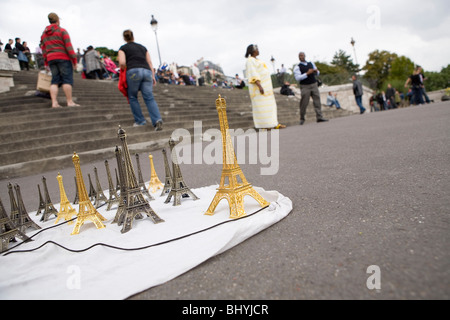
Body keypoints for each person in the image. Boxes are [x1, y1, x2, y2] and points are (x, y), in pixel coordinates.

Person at [118, 29, 163, 130]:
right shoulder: (143, 48)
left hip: (133, 71)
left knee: (133, 97)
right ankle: (157, 119)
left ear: (124, 38)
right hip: (147, 71)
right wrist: (153, 76)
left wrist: (125, 69)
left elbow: (122, 63)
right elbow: (150, 62)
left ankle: (140, 121)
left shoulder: (123, 48)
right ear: (133, 37)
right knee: (149, 97)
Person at [40, 12, 79, 108]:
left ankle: (54, 103)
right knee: (67, 80)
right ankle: (69, 102)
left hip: (51, 59)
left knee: (54, 81)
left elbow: (43, 49)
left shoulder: (44, 35)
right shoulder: (62, 31)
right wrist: (74, 60)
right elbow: (69, 47)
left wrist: (46, 63)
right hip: (63, 58)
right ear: (58, 21)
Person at [245, 44, 286, 130]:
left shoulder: (257, 60)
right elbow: (253, 73)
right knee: (261, 108)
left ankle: (274, 124)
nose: (258, 51)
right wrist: (259, 86)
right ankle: (263, 126)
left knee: (270, 107)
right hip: (258, 89)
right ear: (253, 51)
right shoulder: (250, 60)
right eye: (257, 49)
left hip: (267, 89)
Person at [293, 51, 328, 125]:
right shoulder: (297, 67)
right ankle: (302, 118)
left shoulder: (311, 63)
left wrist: (315, 71)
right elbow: (298, 78)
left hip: (314, 84)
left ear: (305, 56)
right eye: (300, 56)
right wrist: (307, 73)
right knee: (304, 103)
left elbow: (318, 72)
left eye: (302, 55)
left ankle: (319, 117)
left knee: (317, 101)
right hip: (305, 86)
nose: (301, 57)